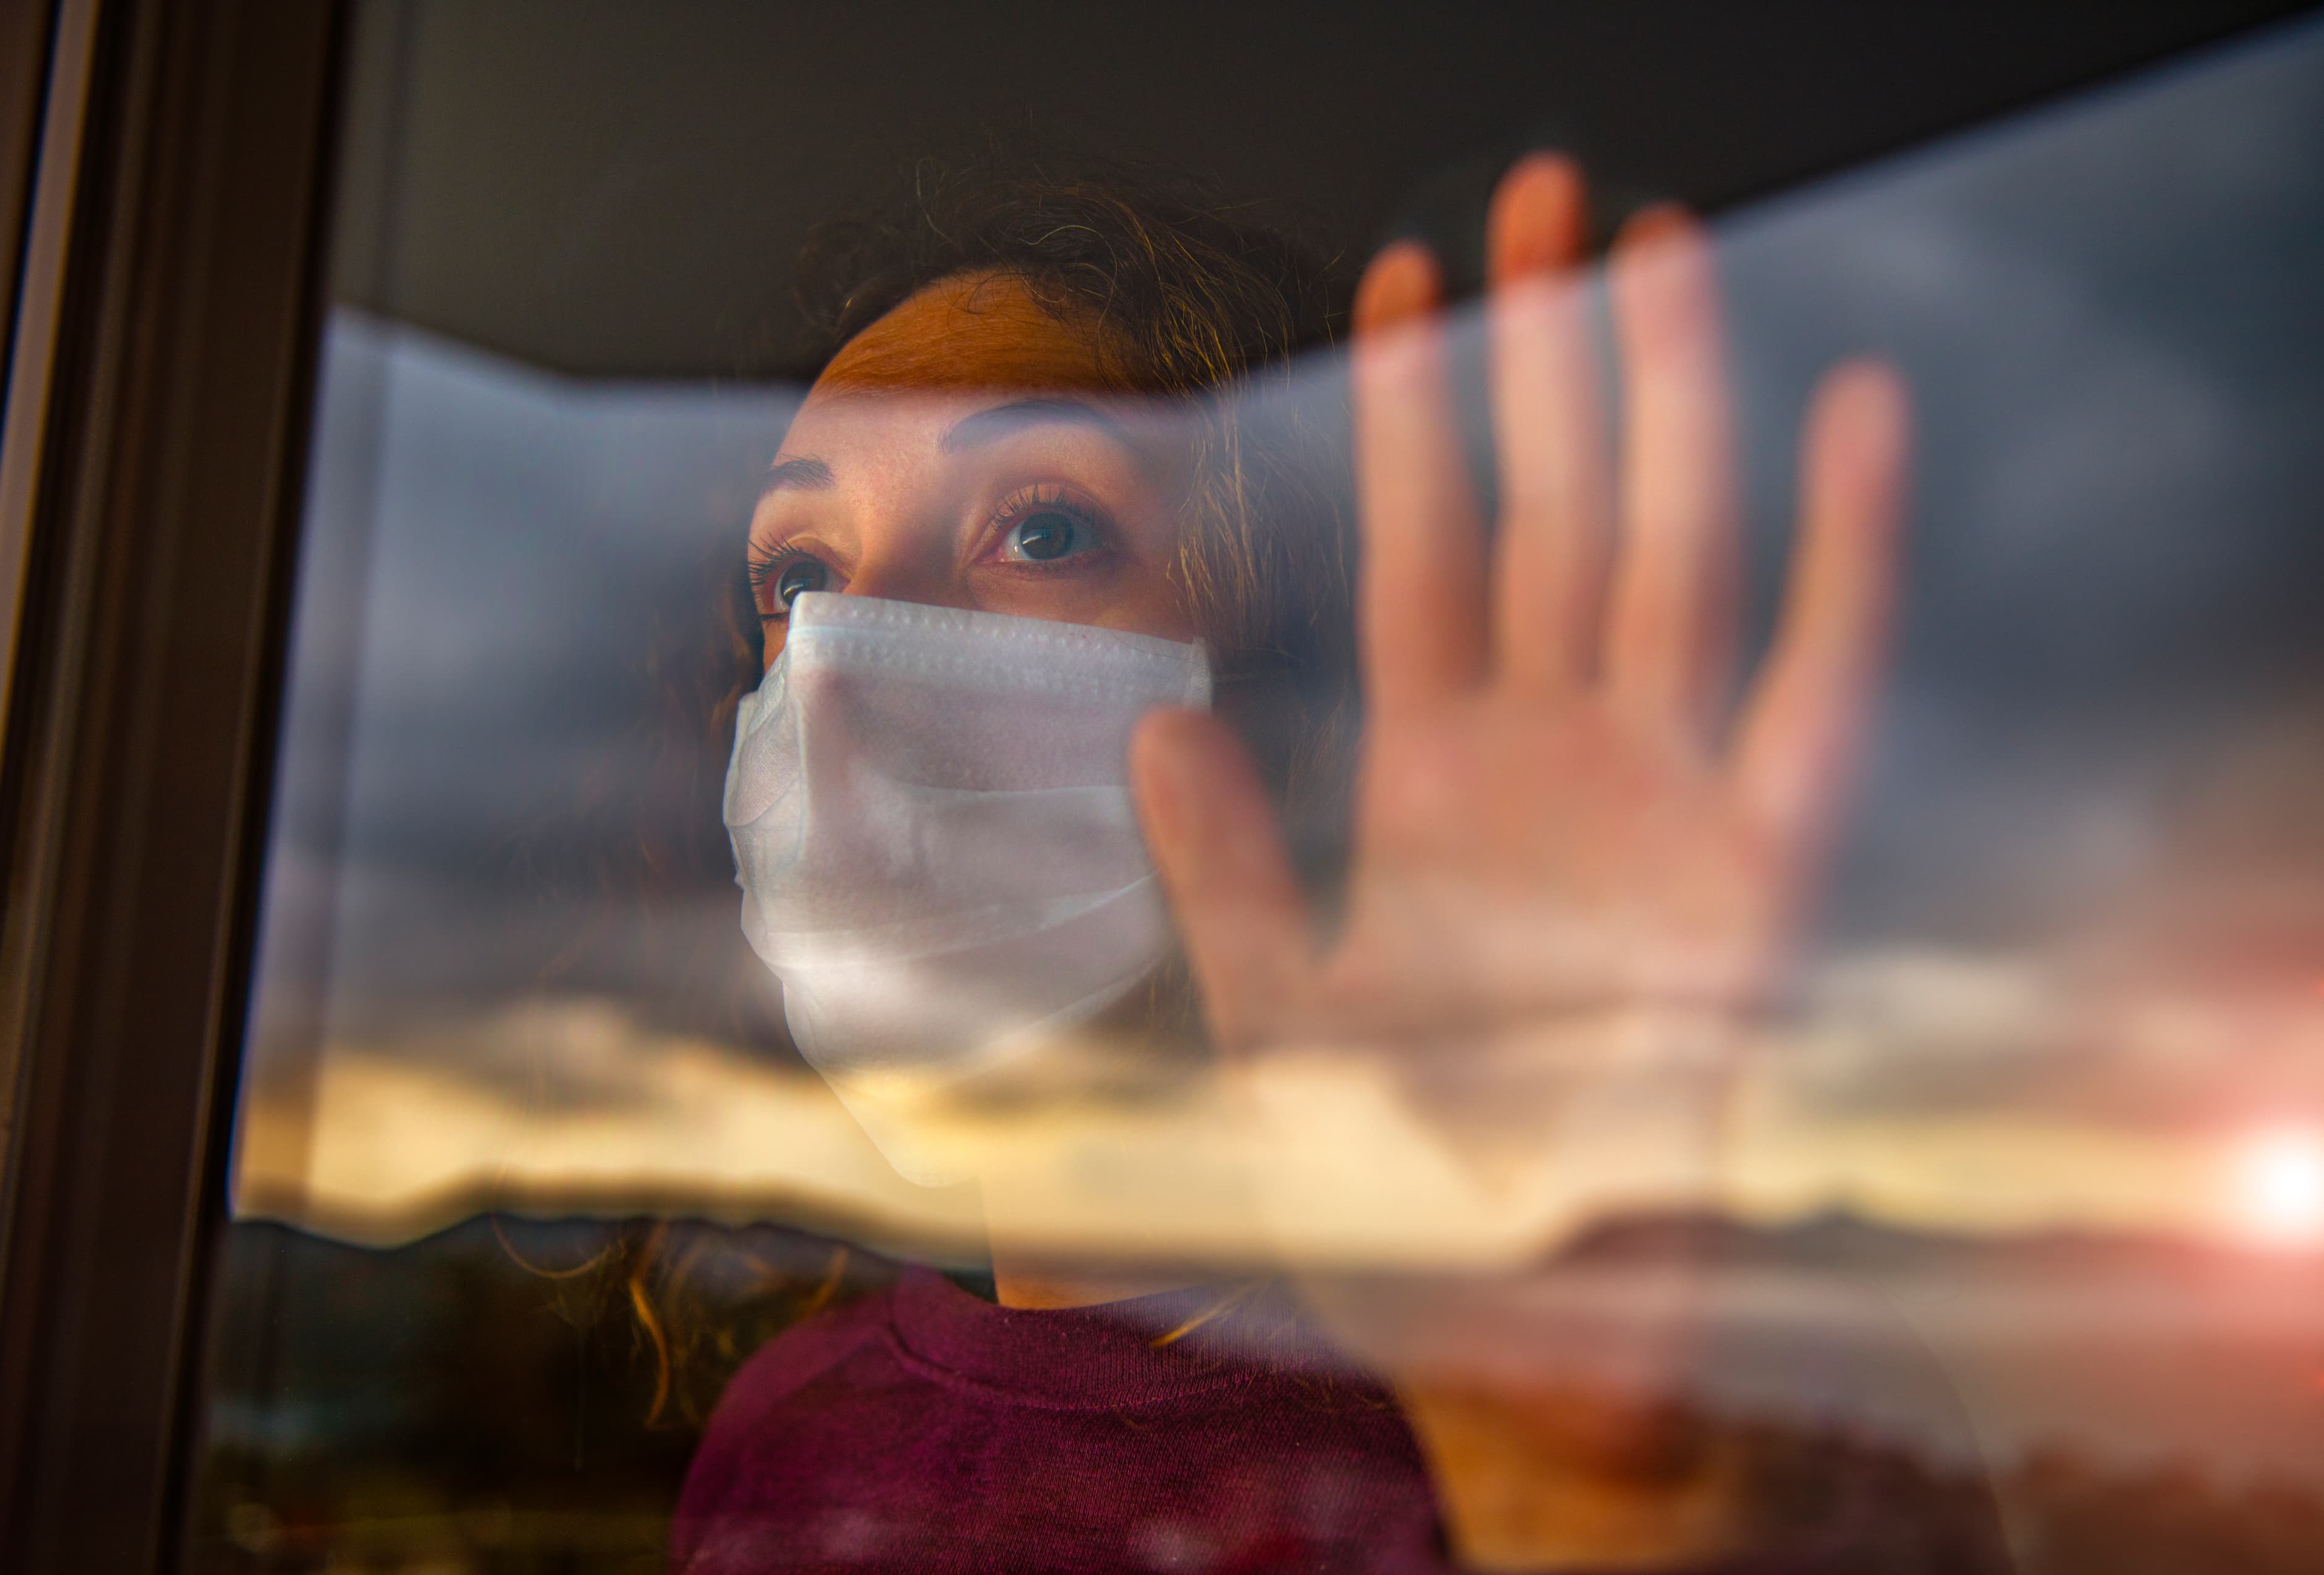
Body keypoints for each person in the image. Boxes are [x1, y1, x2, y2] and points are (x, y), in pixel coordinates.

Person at [671, 154, 2005, 1573]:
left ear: (1306, 684)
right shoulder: (789, 1435)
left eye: (1044, 528)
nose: (835, 674)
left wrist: (1613, 1518)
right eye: (798, 577)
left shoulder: (1669, 1398)